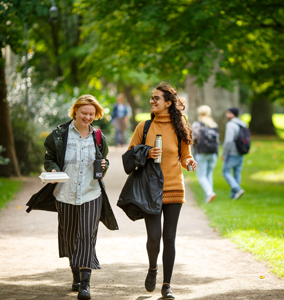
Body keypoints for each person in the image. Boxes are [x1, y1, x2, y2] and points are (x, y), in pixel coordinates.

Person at [43, 95, 118, 300]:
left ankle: (85, 284)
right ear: (75, 111)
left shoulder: (99, 137)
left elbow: (104, 161)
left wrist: (104, 166)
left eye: (91, 114)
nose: (87, 117)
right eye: (84, 113)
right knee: (69, 236)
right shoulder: (60, 135)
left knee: (86, 235)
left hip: (91, 193)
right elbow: (50, 157)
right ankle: (75, 273)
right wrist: (52, 169)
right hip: (65, 194)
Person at [127, 84, 197, 299]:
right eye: (151, 98)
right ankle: (152, 268)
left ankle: (167, 285)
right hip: (151, 189)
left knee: (169, 237)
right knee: (154, 237)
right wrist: (147, 153)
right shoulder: (144, 127)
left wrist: (190, 161)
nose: (152, 101)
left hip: (174, 187)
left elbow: (185, 155)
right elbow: (131, 154)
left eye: (157, 98)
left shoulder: (180, 126)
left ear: (168, 103)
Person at [192, 105, 219, 203]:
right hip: (213, 153)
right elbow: (218, 140)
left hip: (201, 153)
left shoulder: (197, 124)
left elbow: (192, 139)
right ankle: (209, 195)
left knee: (201, 176)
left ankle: (209, 193)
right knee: (209, 175)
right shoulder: (213, 124)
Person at [222, 107, 247, 200]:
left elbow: (229, 140)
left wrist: (224, 152)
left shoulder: (230, 124)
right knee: (237, 172)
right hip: (241, 152)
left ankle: (237, 189)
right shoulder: (243, 124)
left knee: (225, 172)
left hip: (232, 152)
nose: (227, 115)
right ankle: (234, 195)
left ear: (233, 114)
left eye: (229, 113)